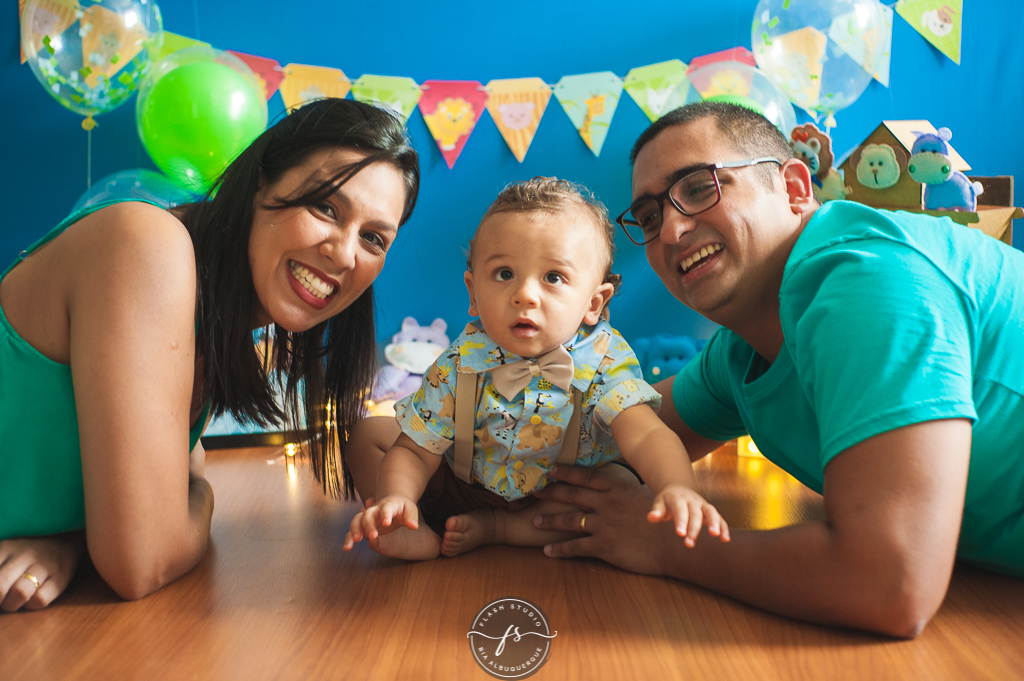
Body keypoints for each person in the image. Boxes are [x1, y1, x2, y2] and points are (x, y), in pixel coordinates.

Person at [531, 101, 1024, 638]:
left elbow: (889, 583)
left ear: (793, 187)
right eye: (649, 217)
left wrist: (664, 545)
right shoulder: (742, 351)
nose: (670, 231)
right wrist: (437, 456)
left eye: (699, 187)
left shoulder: (868, 280)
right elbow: (603, 438)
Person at [0, 98, 419, 612]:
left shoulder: (216, 322)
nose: (344, 252)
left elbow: (172, 485)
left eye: (374, 238)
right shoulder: (147, 245)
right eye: (325, 207)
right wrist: (197, 495)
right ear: (260, 182)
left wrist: (72, 538)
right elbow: (141, 561)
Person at [342, 177, 729, 560]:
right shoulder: (462, 360)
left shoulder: (605, 362)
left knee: (617, 484)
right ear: (474, 293)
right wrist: (399, 495)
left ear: (594, 303)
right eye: (505, 274)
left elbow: (646, 436)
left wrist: (678, 488)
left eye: (554, 278)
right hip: (463, 484)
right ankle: (409, 525)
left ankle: (499, 529)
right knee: (369, 434)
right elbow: (416, 450)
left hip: (553, 498)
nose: (525, 294)